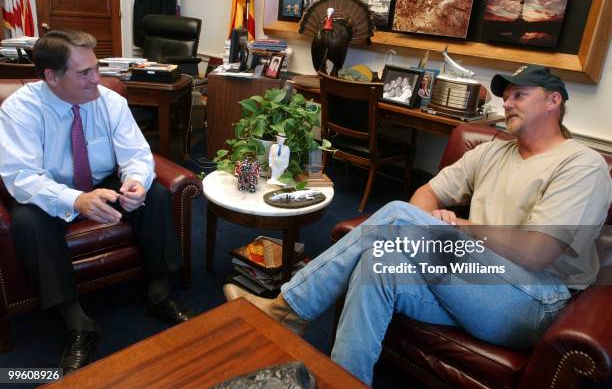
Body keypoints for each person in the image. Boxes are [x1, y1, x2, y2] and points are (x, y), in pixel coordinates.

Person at [224, 65, 612, 385]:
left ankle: (286, 308)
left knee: (394, 214)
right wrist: (430, 231)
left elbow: (538, 251)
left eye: (519, 95)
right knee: (379, 260)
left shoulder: (581, 165)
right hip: (473, 278)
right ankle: (342, 381)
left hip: (533, 301)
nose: (506, 103)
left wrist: (457, 228)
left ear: (554, 101)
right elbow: (426, 193)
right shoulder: (494, 151)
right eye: (505, 95)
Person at [0, 30, 197, 374]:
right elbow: (22, 177)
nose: (97, 79)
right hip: (51, 190)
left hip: (101, 180)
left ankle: (158, 291)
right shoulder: (20, 109)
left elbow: (136, 153)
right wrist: (77, 201)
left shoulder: (110, 100)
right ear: (51, 76)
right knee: (27, 221)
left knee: (156, 194)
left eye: (96, 68)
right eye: (84, 73)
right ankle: (77, 321)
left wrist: (135, 181)